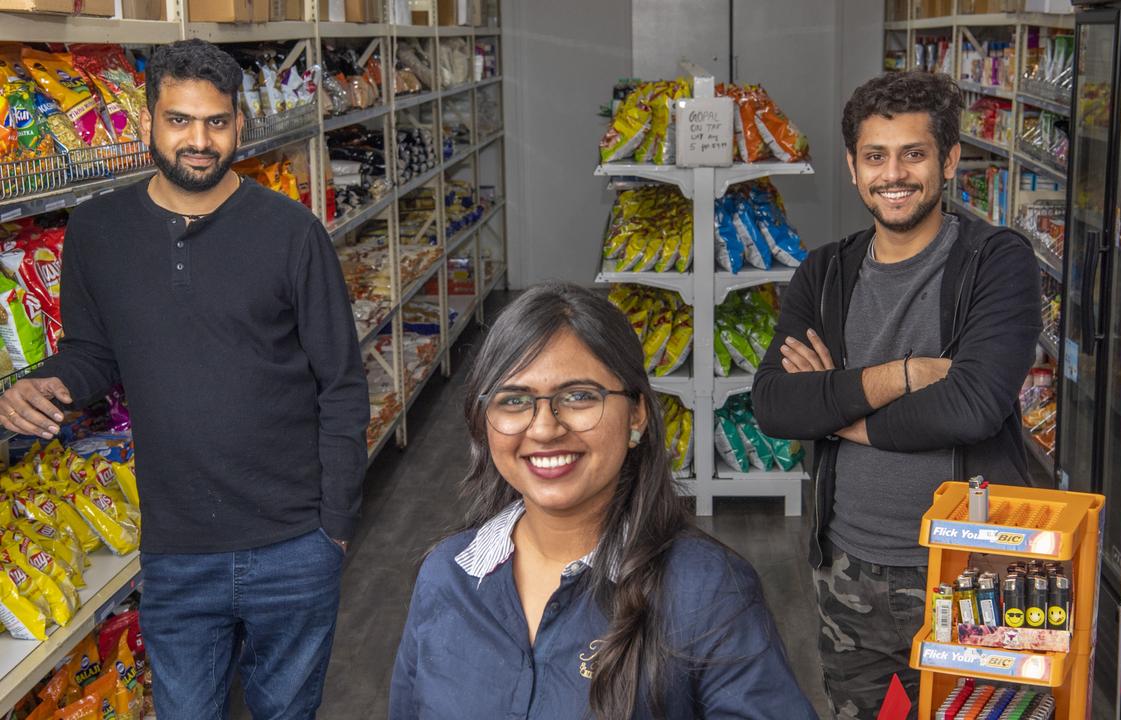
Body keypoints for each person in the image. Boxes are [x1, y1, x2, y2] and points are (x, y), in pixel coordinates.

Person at [0, 39, 368, 718]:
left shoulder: (290, 232)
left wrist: (335, 525)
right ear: (149, 123)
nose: (199, 141)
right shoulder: (98, 230)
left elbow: (342, 382)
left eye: (217, 122)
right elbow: (92, 352)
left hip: (292, 542)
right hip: (176, 548)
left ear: (239, 123)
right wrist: (44, 383)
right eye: (179, 121)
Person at [752, 71, 1041, 718]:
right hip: (845, 571)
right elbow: (775, 405)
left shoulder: (996, 262)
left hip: (973, 573)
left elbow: (974, 405)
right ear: (853, 168)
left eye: (914, 153)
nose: (894, 174)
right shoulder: (824, 273)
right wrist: (904, 375)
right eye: (875, 157)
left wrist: (837, 410)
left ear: (950, 160)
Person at [389, 282, 816, 719]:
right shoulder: (446, 575)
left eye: (578, 397)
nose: (543, 428)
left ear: (636, 415)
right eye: (514, 400)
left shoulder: (705, 590)